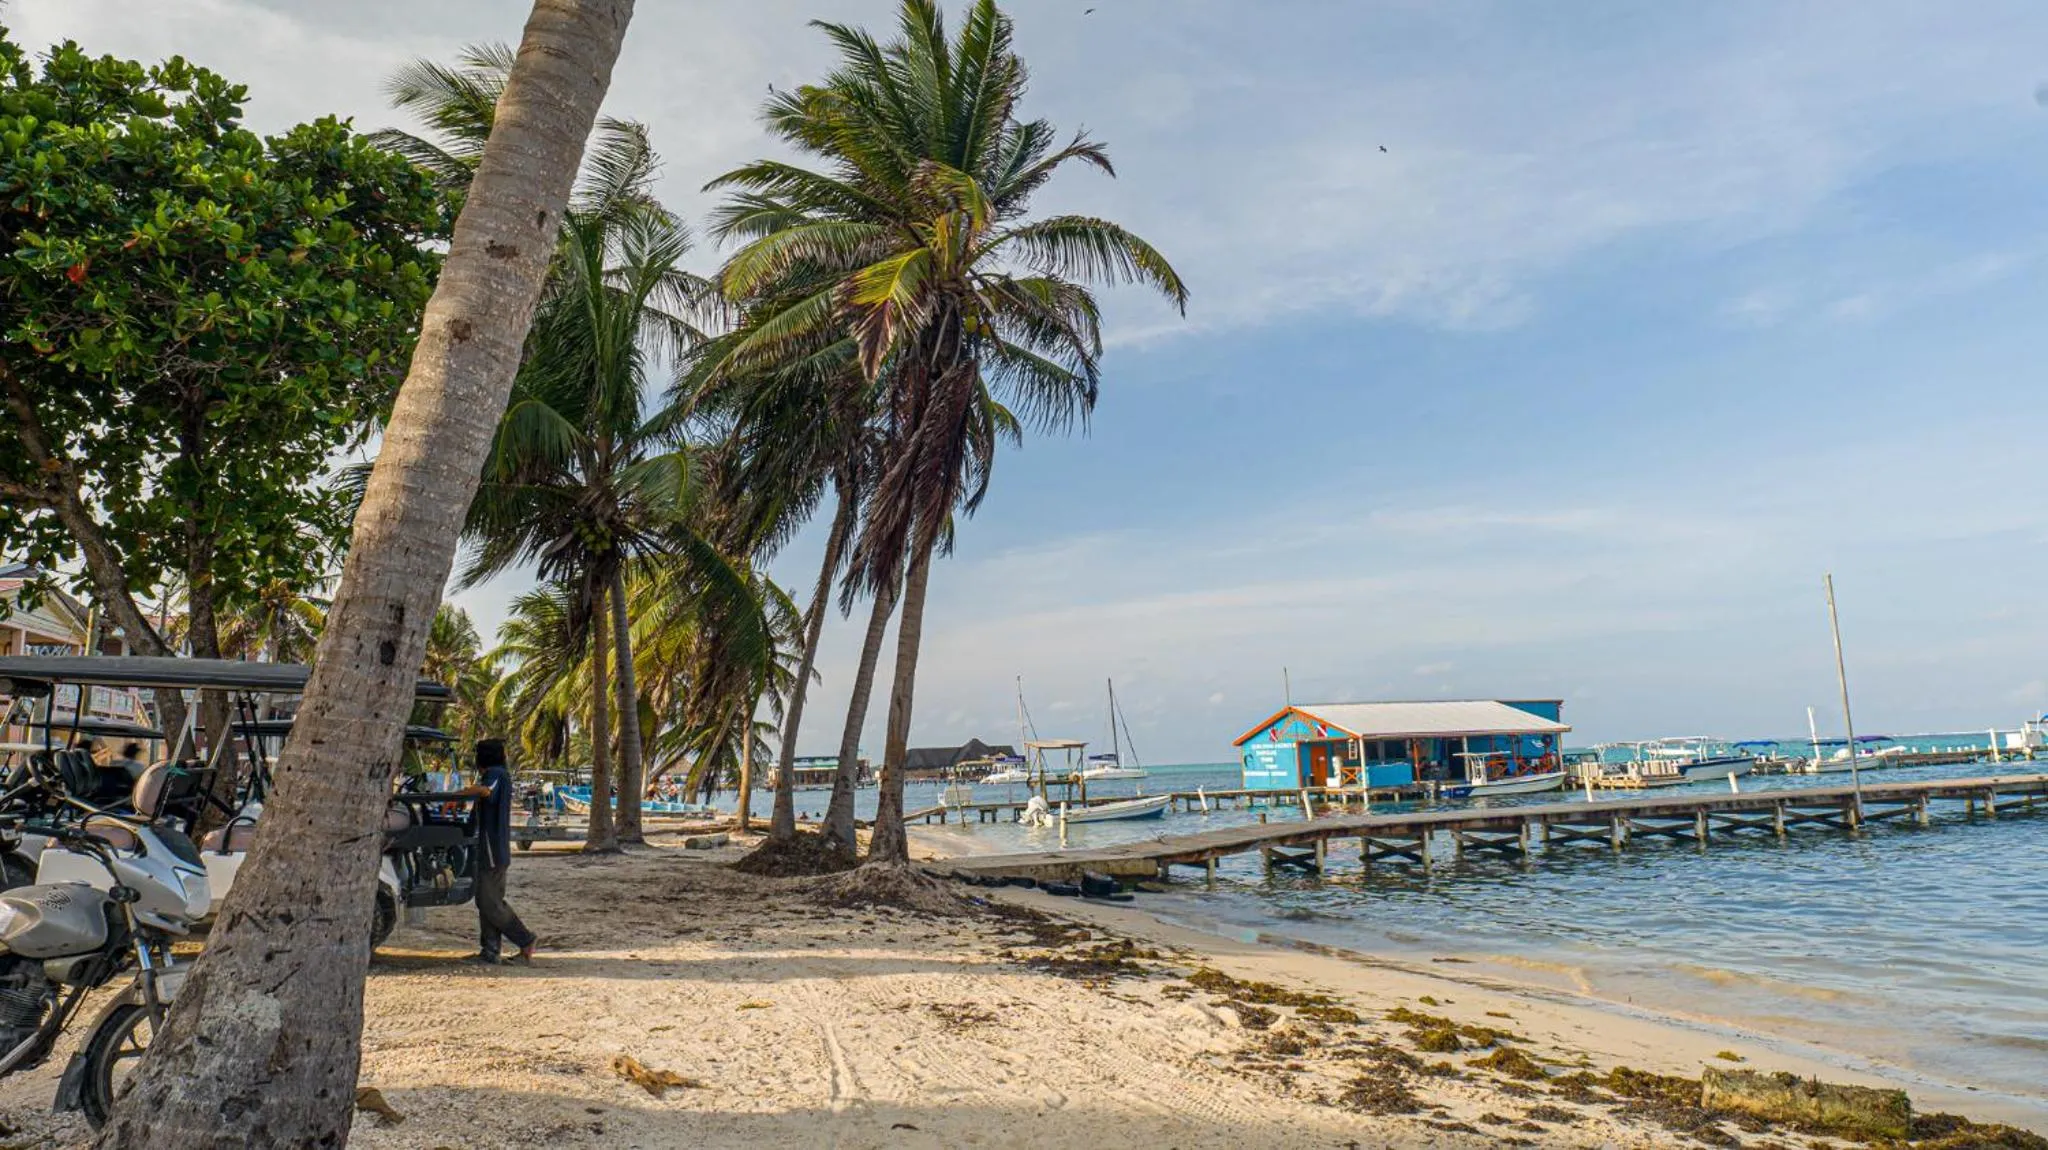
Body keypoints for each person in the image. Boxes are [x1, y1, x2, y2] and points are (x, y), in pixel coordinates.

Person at [461, 738, 536, 965]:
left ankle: (525, 939)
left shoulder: (495, 774)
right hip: (491, 848)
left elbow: (486, 792)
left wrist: (463, 792)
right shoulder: (496, 773)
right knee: (486, 899)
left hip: (493, 849)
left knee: (490, 902)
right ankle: (490, 950)